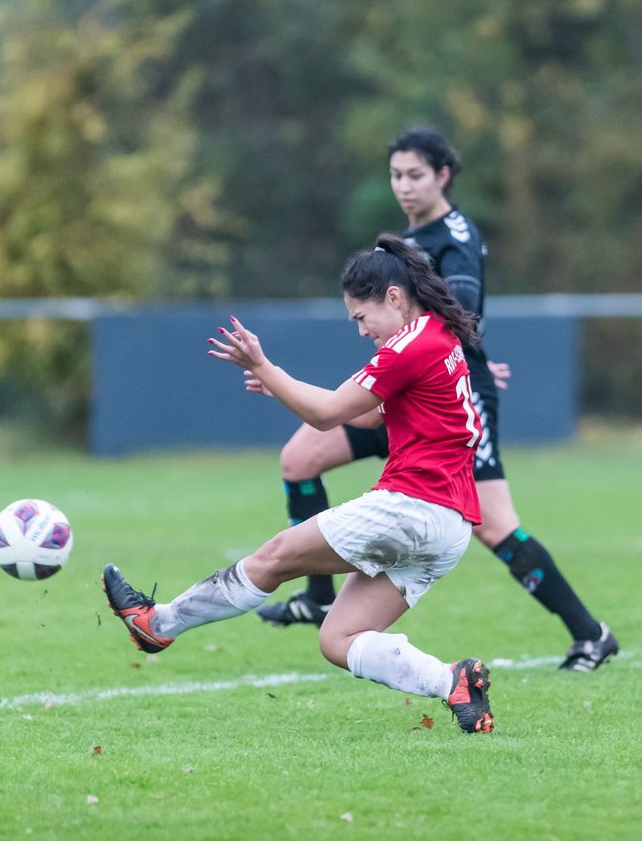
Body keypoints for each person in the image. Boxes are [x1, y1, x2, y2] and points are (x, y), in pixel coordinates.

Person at [256, 127, 619, 672]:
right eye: (396, 175)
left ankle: (591, 634)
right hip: (399, 397)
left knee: (493, 525)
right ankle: (320, 596)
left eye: (415, 175)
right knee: (300, 458)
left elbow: (458, 308)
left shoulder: (456, 235)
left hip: (450, 399)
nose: (403, 185)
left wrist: (472, 359)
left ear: (443, 175)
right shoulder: (402, 243)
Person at [102, 234, 494, 733]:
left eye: (361, 317)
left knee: (274, 558)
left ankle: (156, 625)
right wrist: (282, 387)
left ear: (393, 298)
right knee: (338, 638)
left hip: (412, 507)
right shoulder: (436, 334)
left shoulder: (408, 345)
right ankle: (453, 683)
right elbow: (373, 417)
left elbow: (329, 414)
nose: (361, 331)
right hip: (450, 528)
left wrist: (265, 365)